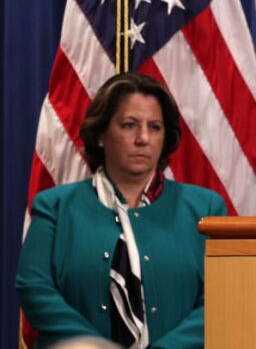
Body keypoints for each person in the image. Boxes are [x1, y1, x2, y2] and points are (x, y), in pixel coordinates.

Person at [17, 73, 227, 349]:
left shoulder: (206, 209)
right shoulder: (54, 207)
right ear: (101, 134)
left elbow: (223, 296)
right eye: (129, 125)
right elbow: (35, 289)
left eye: (155, 127)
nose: (143, 138)